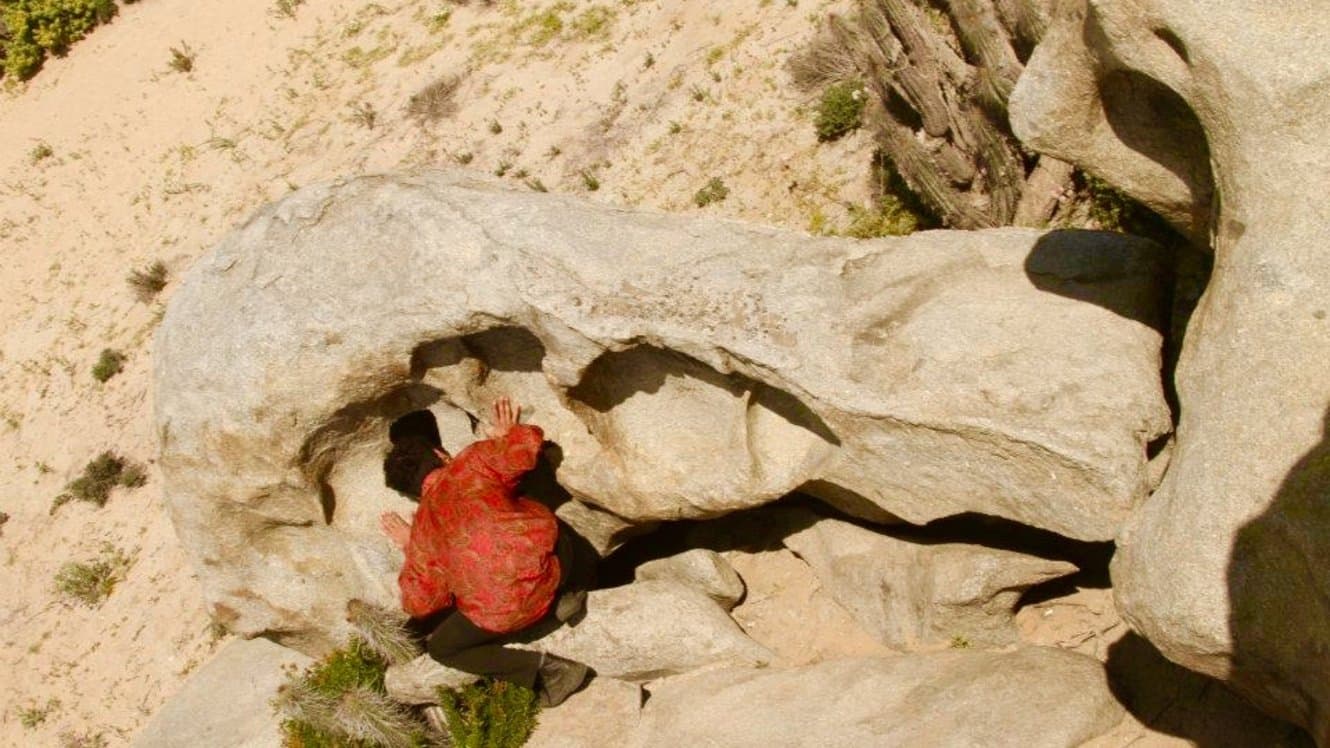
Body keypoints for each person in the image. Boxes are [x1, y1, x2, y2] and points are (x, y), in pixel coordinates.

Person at [380, 397, 590, 706]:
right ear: (440, 454)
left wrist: (411, 548)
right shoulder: (471, 463)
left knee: (443, 648)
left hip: (505, 614)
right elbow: (528, 448)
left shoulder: (423, 530)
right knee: (529, 506)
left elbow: (420, 603)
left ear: (411, 493)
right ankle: (568, 592)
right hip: (554, 567)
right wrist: (508, 434)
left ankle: (549, 673)